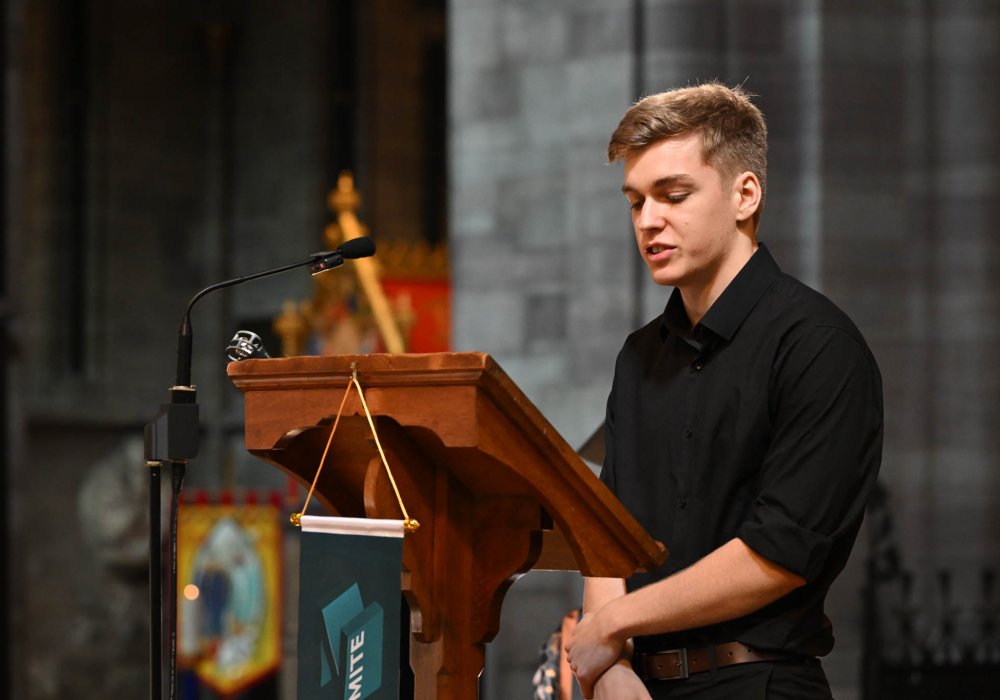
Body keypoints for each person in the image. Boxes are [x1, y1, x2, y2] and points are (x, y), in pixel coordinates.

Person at [564, 83, 883, 699]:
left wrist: (613, 624)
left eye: (673, 195)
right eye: (636, 202)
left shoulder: (819, 345)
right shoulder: (638, 356)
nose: (648, 220)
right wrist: (609, 671)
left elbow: (779, 552)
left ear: (745, 195)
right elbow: (609, 533)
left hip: (758, 681)